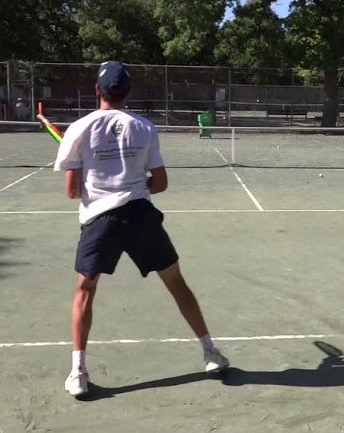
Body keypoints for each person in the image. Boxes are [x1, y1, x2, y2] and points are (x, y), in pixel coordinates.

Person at [54, 61, 229, 397]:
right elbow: (160, 182)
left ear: (97, 90)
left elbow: (73, 191)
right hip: (141, 216)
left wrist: (98, 183)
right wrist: (133, 185)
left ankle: (78, 373)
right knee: (176, 283)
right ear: (128, 92)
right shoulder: (145, 127)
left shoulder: (78, 129)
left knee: (84, 292)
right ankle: (210, 353)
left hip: (100, 221)